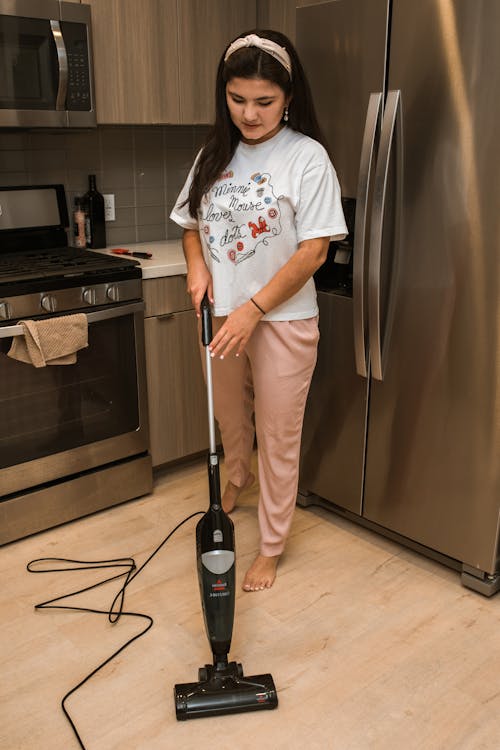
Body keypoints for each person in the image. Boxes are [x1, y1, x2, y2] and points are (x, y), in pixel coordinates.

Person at [170, 30, 347, 592]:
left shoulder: (306, 157)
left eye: (264, 102)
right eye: (237, 98)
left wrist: (250, 309)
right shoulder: (213, 155)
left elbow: (315, 249)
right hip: (222, 315)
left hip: (283, 320)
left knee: (278, 433)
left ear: (289, 97)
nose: (249, 113)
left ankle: (270, 546)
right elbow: (191, 227)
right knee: (229, 416)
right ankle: (236, 475)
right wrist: (196, 267)